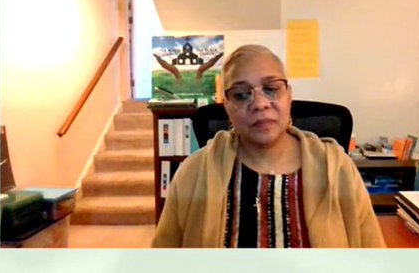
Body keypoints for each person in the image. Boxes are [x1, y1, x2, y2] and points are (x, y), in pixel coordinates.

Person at [153, 44, 384, 248]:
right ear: (227, 107)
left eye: (271, 89)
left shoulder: (337, 167)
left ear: (289, 96)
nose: (260, 104)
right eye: (242, 95)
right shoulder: (193, 172)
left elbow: (374, 259)